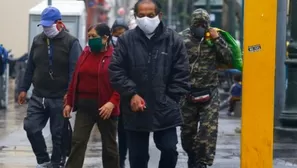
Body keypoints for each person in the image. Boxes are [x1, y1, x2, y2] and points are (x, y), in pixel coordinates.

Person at [109, 1, 190, 168]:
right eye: (141, 15)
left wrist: (170, 99)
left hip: (165, 107)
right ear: (136, 16)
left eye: (150, 15)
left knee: (169, 149)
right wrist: (131, 94)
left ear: (159, 16)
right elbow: (116, 70)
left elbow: (181, 73)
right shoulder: (126, 40)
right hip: (135, 109)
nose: (146, 19)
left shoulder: (173, 40)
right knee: (137, 157)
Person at [18, 6, 82, 168]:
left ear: (59, 23)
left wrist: (70, 94)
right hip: (39, 95)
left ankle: (57, 162)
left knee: (58, 134)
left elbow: (74, 71)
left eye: (49, 25)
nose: (46, 29)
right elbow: (30, 67)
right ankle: (43, 160)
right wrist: (23, 89)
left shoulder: (71, 42)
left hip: (60, 96)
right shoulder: (38, 40)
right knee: (31, 127)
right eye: (44, 26)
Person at [179, 8, 232, 168]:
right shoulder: (181, 39)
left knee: (208, 132)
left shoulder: (214, 37)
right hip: (187, 93)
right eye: (197, 24)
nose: (200, 27)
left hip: (209, 92)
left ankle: (202, 162)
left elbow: (228, 59)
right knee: (187, 134)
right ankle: (192, 155)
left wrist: (217, 40)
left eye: (204, 24)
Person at [63, 23, 120, 168]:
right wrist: (69, 102)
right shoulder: (85, 54)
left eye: (94, 36)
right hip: (85, 106)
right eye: (89, 36)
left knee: (109, 148)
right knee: (77, 141)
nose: (90, 39)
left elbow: (121, 83)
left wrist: (112, 102)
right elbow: (75, 78)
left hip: (105, 108)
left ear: (105, 38)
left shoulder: (114, 56)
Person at [111, 18, 129, 168]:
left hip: (124, 97)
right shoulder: (107, 48)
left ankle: (121, 159)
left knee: (123, 132)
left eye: (122, 33)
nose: (119, 37)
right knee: (110, 132)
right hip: (108, 97)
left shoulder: (132, 48)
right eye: (116, 34)